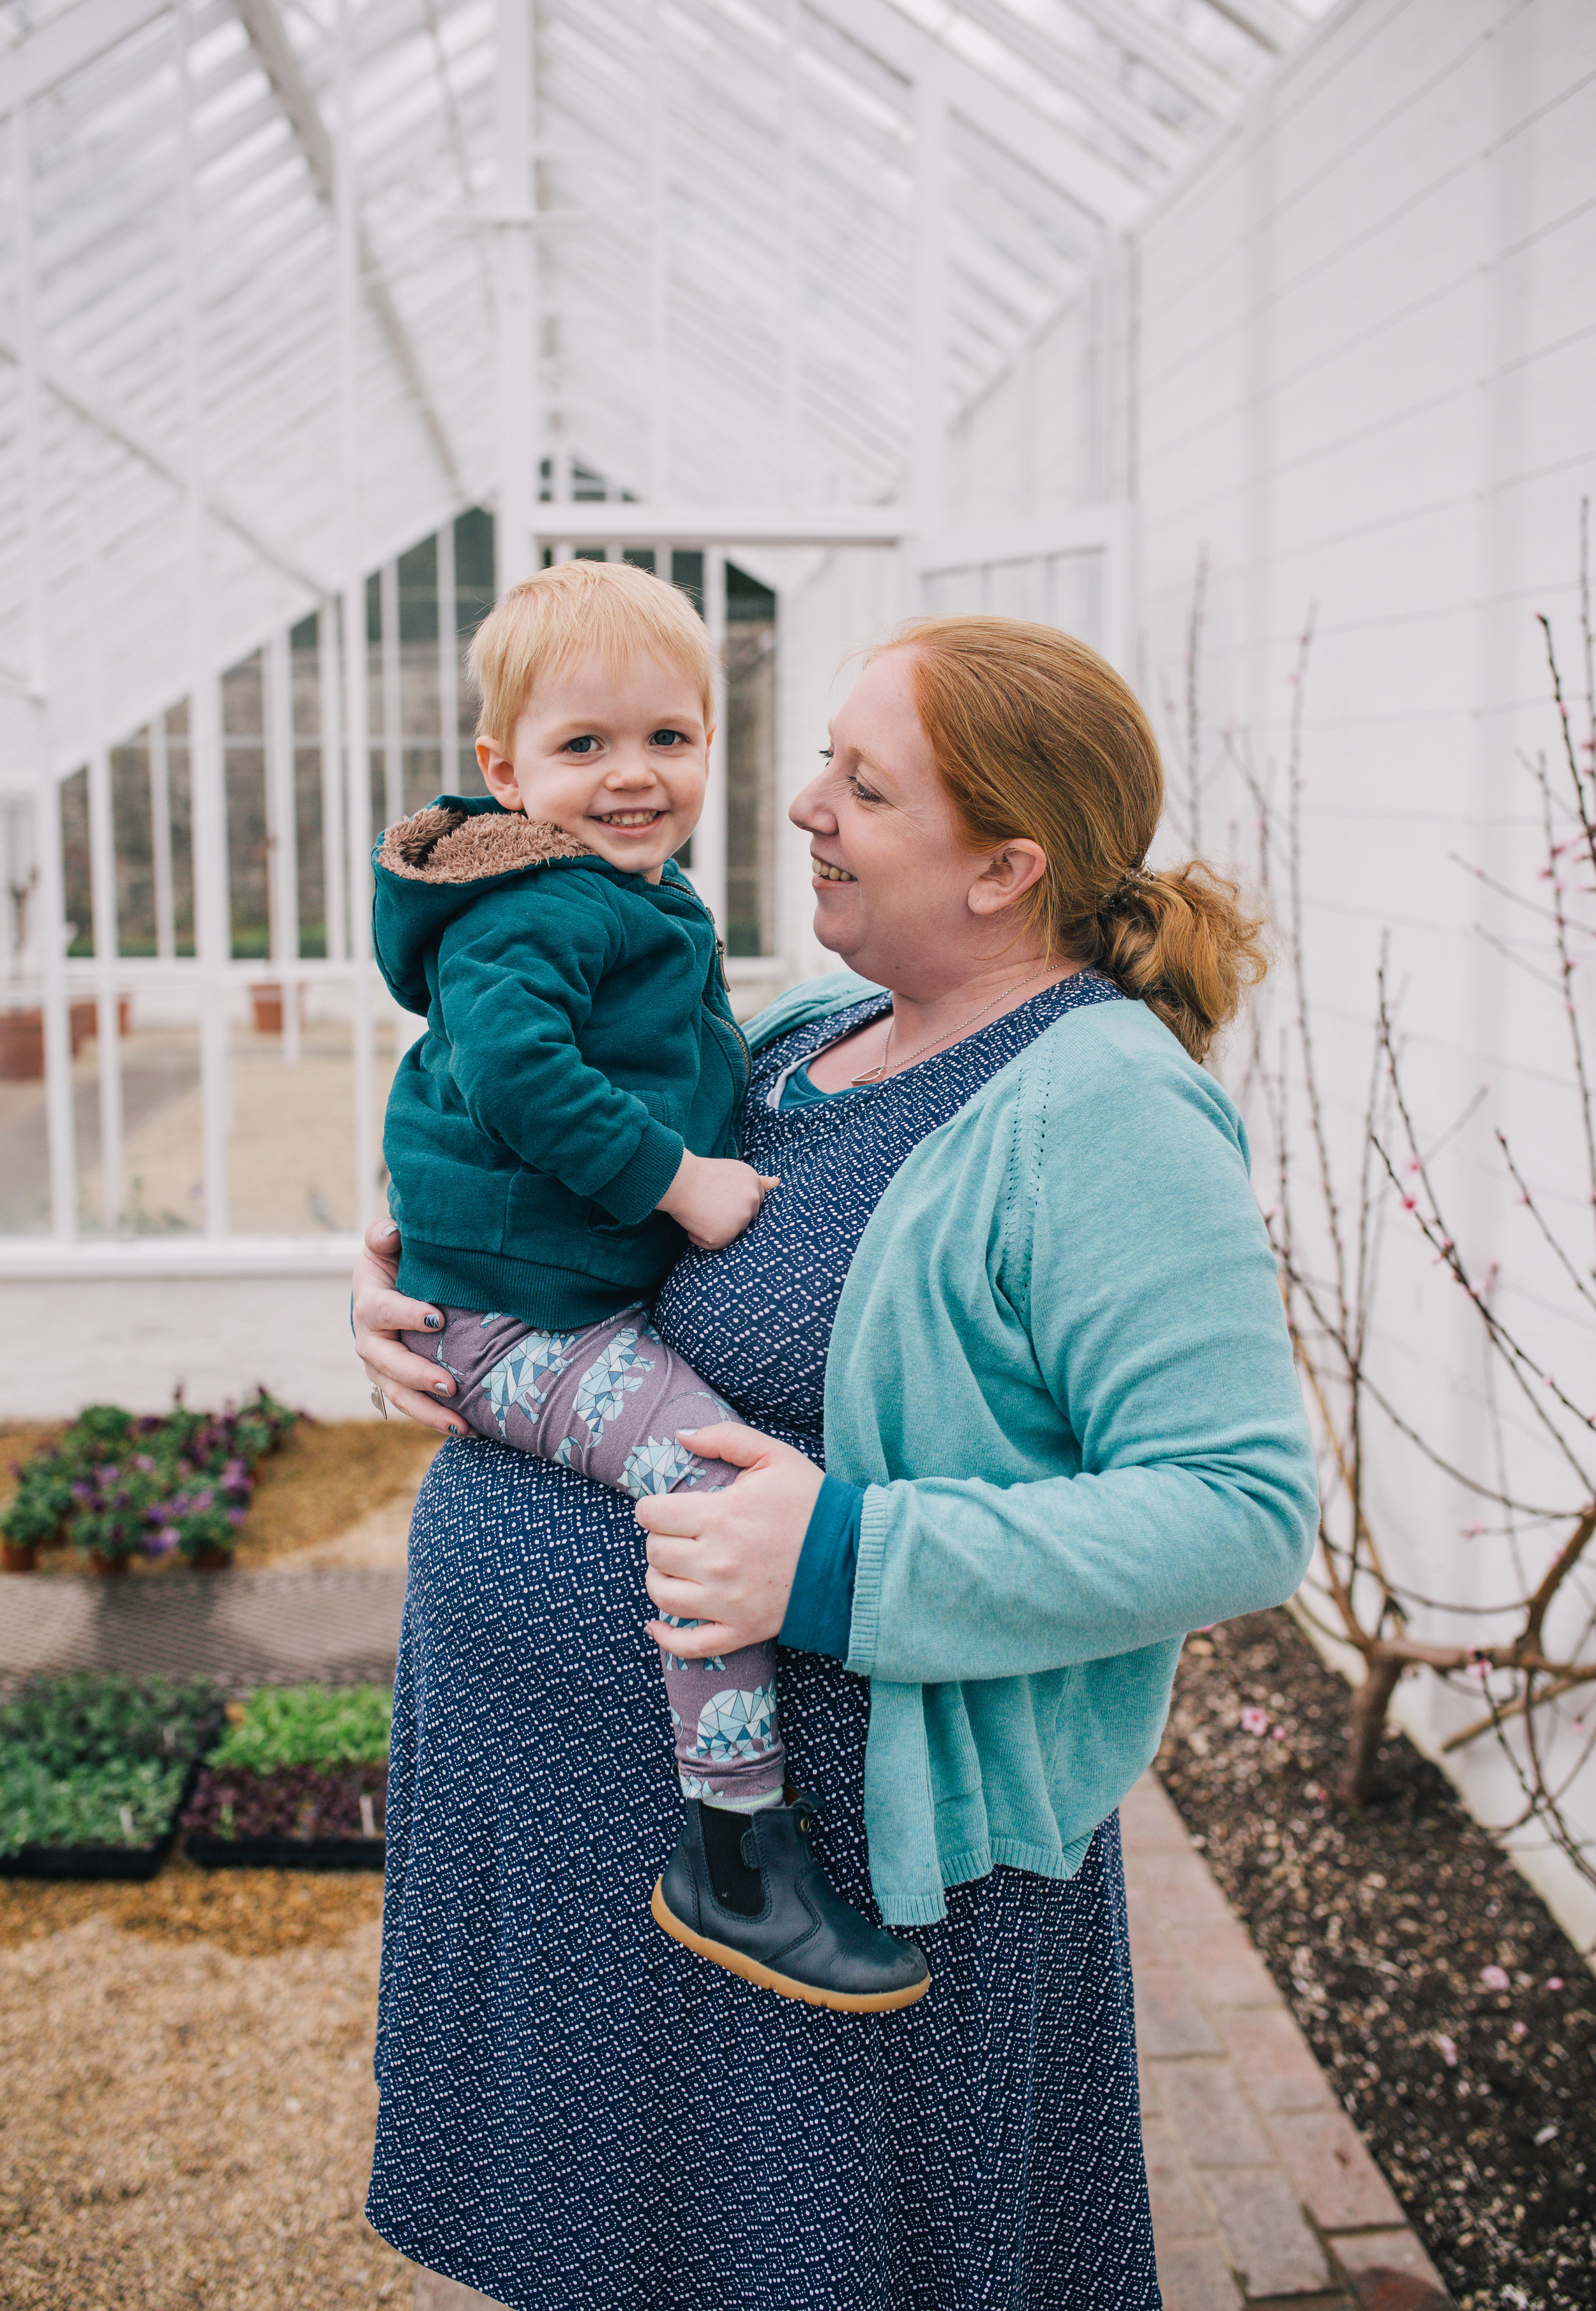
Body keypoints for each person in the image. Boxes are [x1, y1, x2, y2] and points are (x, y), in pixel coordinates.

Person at [357, 614, 1320, 2311]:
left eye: (863, 784)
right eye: (819, 757)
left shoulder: (1099, 1103)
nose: (799, 801)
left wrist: (840, 1557)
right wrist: (401, 1283)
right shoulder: (809, 1034)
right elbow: (561, 1170)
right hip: (589, 1843)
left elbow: (1238, 1512)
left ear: (1001, 865)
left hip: (856, 1897)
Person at [371, 555, 926, 2009]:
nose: (632, 776)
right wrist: (679, 1187)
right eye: (582, 747)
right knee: (697, 1477)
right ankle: (733, 1847)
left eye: (666, 740)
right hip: (513, 1324)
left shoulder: (620, 894)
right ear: (501, 768)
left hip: (534, 1299)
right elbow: (510, 1080)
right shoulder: (534, 909)